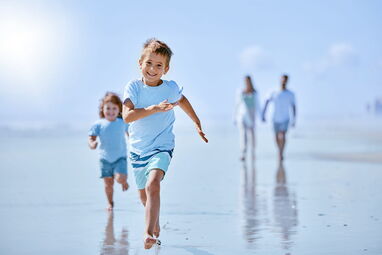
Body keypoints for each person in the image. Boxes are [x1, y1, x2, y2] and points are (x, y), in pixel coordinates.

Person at [122, 38, 208, 249]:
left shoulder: (170, 88)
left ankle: (148, 233)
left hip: (162, 146)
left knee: (153, 185)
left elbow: (183, 100)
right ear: (140, 63)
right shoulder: (133, 87)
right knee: (144, 195)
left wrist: (197, 123)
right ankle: (155, 222)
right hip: (137, 150)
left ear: (166, 69)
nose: (153, 69)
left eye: (159, 65)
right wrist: (154, 109)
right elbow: (127, 116)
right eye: (149, 63)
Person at [88, 92, 130, 211]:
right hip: (104, 158)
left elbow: (131, 135)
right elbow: (91, 137)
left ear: (119, 110)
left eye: (114, 108)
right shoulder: (98, 124)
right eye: (108, 108)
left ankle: (123, 181)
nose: (111, 111)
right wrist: (92, 144)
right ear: (103, 109)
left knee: (119, 178)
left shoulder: (123, 123)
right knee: (108, 184)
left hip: (120, 157)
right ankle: (110, 203)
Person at [262, 74, 296, 161]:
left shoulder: (290, 94)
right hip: (274, 118)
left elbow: (293, 106)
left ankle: (281, 152)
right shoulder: (273, 92)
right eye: (282, 80)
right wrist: (263, 114)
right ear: (280, 80)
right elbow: (267, 102)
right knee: (276, 137)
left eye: (285, 80)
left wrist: (294, 119)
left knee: (283, 136)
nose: (283, 82)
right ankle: (279, 150)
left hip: (285, 118)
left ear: (287, 81)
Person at [234, 75, 261, 161]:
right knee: (243, 134)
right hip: (242, 116)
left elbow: (258, 105)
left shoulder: (255, 93)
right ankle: (243, 153)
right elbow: (237, 105)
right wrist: (234, 117)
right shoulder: (241, 92)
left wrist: (261, 116)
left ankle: (253, 151)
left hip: (251, 114)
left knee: (252, 134)